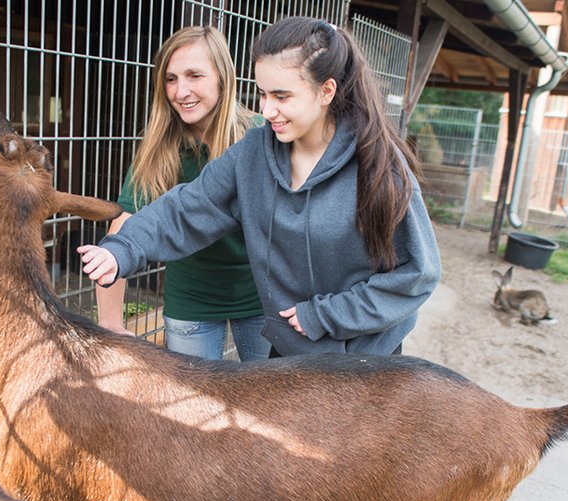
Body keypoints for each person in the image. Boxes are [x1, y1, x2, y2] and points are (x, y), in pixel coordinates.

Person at [79, 16, 441, 361]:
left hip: (366, 360)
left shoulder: (380, 166)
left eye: (281, 97)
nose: (266, 110)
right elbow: (188, 208)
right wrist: (123, 249)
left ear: (326, 91)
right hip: (290, 350)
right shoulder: (253, 154)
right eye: (262, 94)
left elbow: (417, 274)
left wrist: (326, 315)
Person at [97, 26, 270, 361]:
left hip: (260, 295)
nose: (181, 91)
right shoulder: (161, 149)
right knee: (192, 395)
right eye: (171, 79)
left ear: (223, 78)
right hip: (192, 298)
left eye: (194, 75)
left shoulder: (261, 135)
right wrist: (110, 321)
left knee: (270, 393)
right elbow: (123, 224)